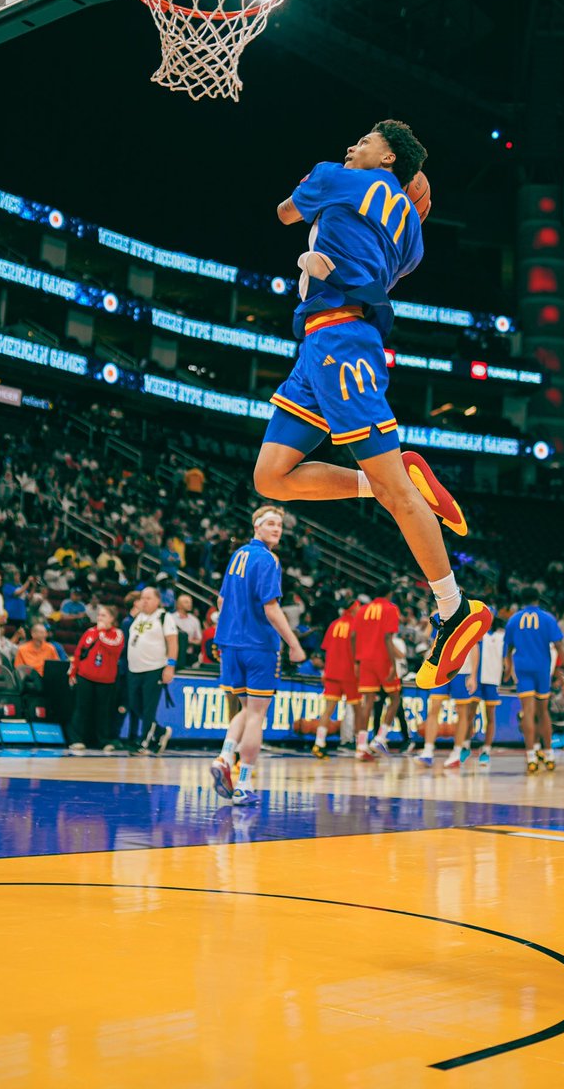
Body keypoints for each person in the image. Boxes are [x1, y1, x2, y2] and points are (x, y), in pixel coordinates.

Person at [251, 121, 491, 691]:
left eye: (362, 140)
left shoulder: (338, 178)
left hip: (341, 342)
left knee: (394, 494)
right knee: (271, 477)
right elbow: (388, 266)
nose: (350, 144)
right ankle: (399, 475)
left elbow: (285, 212)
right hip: (322, 344)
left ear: (385, 157)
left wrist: (322, 197)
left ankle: (455, 609)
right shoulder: (414, 232)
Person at [210, 506, 305, 805]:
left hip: (231, 644)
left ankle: (225, 756)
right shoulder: (268, 559)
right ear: (257, 527)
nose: (277, 529)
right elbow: (271, 608)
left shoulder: (238, 555)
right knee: (257, 715)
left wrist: (222, 636)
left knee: (245, 709)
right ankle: (243, 784)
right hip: (258, 645)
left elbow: (221, 599)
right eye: (271, 524)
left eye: (280, 525)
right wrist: (293, 643)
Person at [503, 590, 564, 773]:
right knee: (543, 712)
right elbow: (559, 646)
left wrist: (508, 667)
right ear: (538, 599)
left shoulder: (514, 619)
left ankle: (531, 755)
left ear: (521, 600)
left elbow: (508, 647)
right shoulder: (547, 618)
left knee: (528, 713)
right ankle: (549, 753)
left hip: (522, 668)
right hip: (541, 668)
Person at [351, 587, 401, 760]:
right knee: (395, 698)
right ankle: (380, 738)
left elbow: (353, 636)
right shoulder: (391, 608)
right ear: (390, 593)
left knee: (367, 702)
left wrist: (356, 660)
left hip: (365, 659)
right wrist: (393, 664)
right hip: (382, 658)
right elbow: (388, 637)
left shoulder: (362, 610)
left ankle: (361, 746)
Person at [126, 585, 176, 754]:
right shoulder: (138, 616)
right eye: (142, 598)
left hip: (154, 668)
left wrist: (170, 666)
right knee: (134, 705)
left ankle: (145, 741)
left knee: (149, 707)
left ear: (157, 601)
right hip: (134, 669)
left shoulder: (164, 617)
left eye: (148, 598)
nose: (144, 601)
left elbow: (172, 642)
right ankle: (160, 731)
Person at [68, 604, 125, 752]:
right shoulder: (89, 632)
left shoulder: (117, 634)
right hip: (85, 676)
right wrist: (73, 672)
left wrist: (102, 633)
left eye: (104, 615)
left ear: (112, 618)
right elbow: (79, 653)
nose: (100, 618)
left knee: (103, 712)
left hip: (106, 680)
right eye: (99, 615)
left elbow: (115, 647)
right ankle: (77, 740)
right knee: (81, 709)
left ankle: (103, 740)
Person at [312, 603, 359, 758]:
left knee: (328, 710)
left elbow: (327, 648)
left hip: (332, 671)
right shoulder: (355, 624)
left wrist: (326, 670)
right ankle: (361, 744)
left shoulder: (334, 624)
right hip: (349, 673)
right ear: (352, 609)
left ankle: (319, 743)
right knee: (358, 710)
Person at [471, 616, 504, 767]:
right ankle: (464, 745)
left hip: (492, 679)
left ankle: (486, 749)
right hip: (476, 679)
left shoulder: (501, 636)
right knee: (469, 715)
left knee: (490, 717)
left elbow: (506, 657)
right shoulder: (475, 633)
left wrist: (509, 672)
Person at [167, 593, 202, 668]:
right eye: (186, 602)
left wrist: (189, 641)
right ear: (179, 605)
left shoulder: (194, 620)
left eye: (190, 602)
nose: (190, 604)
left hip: (188, 655)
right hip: (172, 654)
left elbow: (199, 640)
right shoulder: (170, 618)